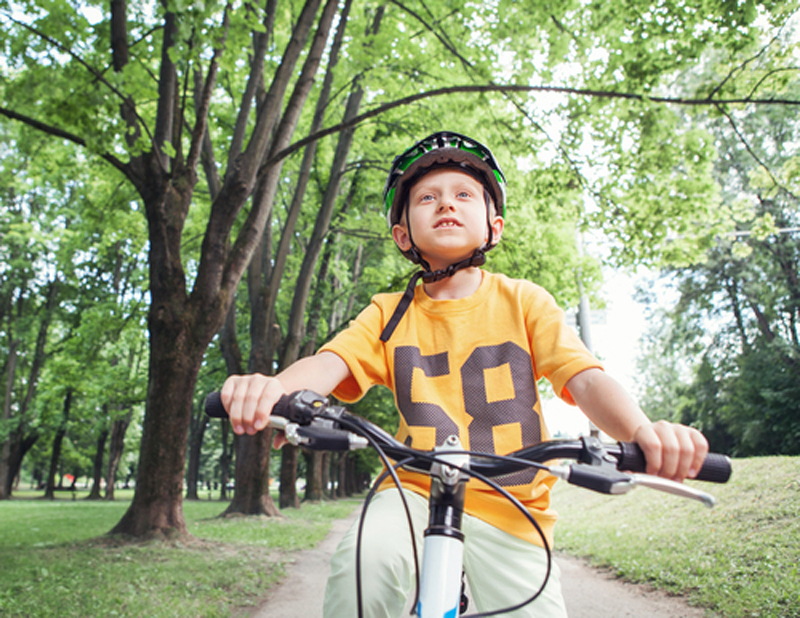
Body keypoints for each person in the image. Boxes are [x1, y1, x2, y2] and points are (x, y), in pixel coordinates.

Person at [221, 131, 709, 617]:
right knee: (363, 567)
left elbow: (584, 378)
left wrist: (643, 434)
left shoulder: (524, 301)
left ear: (494, 227)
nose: (445, 205)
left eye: (463, 195)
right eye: (427, 197)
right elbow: (330, 363)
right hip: (412, 489)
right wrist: (274, 389)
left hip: (513, 506)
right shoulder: (388, 313)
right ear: (402, 235)